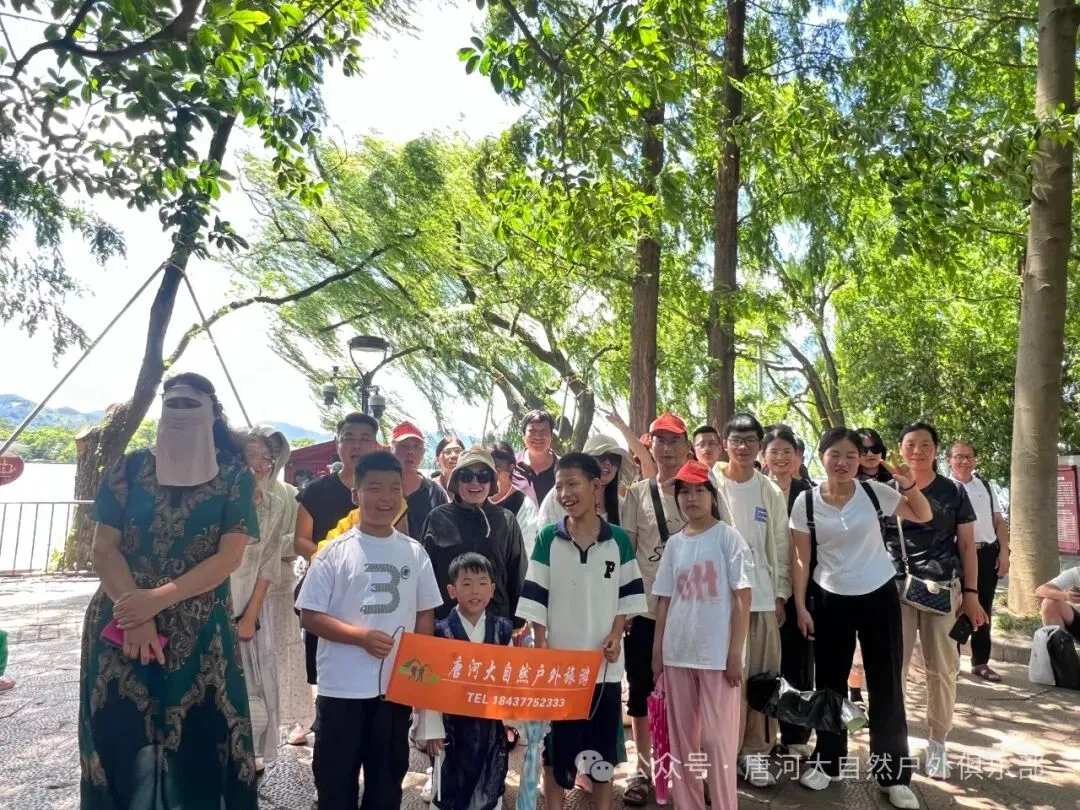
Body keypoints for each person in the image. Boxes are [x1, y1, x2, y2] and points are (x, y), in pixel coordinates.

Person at [79, 373, 259, 810]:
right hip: (120, 623)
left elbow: (229, 557)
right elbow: (103, 548)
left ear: (212, 413)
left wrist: (156, 601)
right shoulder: (128, 469)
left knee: (201, 739)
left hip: (200, 632)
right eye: (171, 403)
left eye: (189, 404)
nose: (179, 412)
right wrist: (134, 614)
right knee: (120, 734)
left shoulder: (236, 477)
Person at [789, 427, 932, 809]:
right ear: (821, 456)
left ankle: (893, 775)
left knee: (886, 684)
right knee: (829, 685)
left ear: (860, 461)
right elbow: (801, 558)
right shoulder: (805, 502)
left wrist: (908, 485)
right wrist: (801, 605)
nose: (843, 462)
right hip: (829, 597)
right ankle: (829, 761)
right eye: (835, 455)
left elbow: (923, 514)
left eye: (851, 456)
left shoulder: (874, 492)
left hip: (878, 594)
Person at [296, 451, 443, 810]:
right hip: (341, 689)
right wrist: (358, 637)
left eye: (394, 488)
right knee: (335, 781)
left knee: (387, 780)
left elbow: (425, 613)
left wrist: (418, 675)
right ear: (356, 494)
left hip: (393, 690)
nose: (385, 498)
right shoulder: (333, 552)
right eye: (374, 488)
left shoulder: (415, 553)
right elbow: (309, 615)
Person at [516, 453, 648, 810]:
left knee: (602, 754)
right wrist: (541, 645)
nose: (565, 493)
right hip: (560, 670)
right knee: (555, 753)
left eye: (572, 484)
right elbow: (536, 597)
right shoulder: (548, 538)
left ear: (595, 485)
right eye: (559, 486)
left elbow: (628, 596)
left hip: (603, 669)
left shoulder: (617, 540)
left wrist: (616, 633)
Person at [621, 413, 728, 806]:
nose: (666, 449)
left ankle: (690, 771)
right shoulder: (637, 494)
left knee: (693, 698)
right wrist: (626, 607)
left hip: (696, 614)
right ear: (648, 445)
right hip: (648, 611)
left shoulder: (704, 487)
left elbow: (722, 543)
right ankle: (644, 769)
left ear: (687, 447)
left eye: (674, 441)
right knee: (642, 692)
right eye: (659, 441)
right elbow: (629, 552)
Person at [884, 421, 988, 781]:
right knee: (893, 668)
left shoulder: (952, 491)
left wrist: (971, 594)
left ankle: (938, 742)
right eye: (910, 444)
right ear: (900, 448)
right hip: (894, 590)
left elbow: (967, 545)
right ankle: (895, 741)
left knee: (943, 669)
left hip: (942, 589)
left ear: (935, 451)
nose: (917, 451)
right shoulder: (886, 490)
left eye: (925, 444)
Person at [651, 460, 752, 810]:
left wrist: (734, 654)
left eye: (698, 490)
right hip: (677, 653)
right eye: (684, 492)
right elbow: (664, 601)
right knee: (682, 743)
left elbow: (743, 598)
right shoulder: (674, 544)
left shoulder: (728, 537)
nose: (691, 498)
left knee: (717, 741)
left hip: (716, 656)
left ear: (712, 495)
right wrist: (657, 653)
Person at [711, 413, 790, 786]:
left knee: (760, 678)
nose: (742, 447)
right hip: (716, 600)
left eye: (750, 441)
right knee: (722, 679)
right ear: (725, 443)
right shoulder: (709, 483)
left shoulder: (769, 490)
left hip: (760, 598)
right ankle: (722, 751)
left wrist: (780, 594)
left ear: (760, 446)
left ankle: (754, 752)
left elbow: (781, 545)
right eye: (736, 440)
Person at [417, 553, 514, 810]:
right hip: (452, 727)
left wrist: (511, 720)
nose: (475, 591)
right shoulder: (440, 632)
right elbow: (429, 685)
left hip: (490, 726)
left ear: (492, 590)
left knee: (489, 781)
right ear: (452, 591)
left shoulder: (502, 630)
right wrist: (432, 730)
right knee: (450, 784)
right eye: (467, 583)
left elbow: (510, 679)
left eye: (482, 583)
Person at [295, 412, 380, 687]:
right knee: (327, 670)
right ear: (337, 443)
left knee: (373, 663)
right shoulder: (315, 491)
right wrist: (333, 564)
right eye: (349, 438)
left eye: (364, 439)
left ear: (375, 445)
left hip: (374, 589)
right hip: (327, 592)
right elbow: (300, 540)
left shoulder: (386, 491)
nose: (356, 446)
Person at [249, 425, 314, 748]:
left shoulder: (289, 494)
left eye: (273, 452)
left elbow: (296, 540)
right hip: (241, 586)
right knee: (250, 659)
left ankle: (294, 720)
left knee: (285, 655)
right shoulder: (234, 491)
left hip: (279, 584)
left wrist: (267, 546)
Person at [421, 447, 528, 625]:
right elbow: (424, 578)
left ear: (492, 482)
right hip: (446, 625)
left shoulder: (506, 520)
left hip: (495, 625)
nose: (474, 483)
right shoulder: (437, 519)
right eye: (466, 476)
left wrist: (518, 623)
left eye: (483, 476)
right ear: (456, 480)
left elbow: (517, 574)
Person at [762, 425, 814, 756]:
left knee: (798, 665)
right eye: (774, 452)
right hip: (761, 592)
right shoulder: (754, 490)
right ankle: (763, 737)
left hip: (801, 592)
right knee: (765, 666)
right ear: (763, 456)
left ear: (797, 456)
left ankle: (795, 737)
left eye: (787, 452)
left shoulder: (809, 494)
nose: (781, 458)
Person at [236, 431, 287, 770]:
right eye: (250, 457)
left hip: (249, 605)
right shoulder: (218, 502)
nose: (257, 465)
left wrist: (250, 614)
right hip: (209, 605)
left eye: (264, 459)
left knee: (253, 683)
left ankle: (249, 749)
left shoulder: (274, 505)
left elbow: (269, 562)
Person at [946, 441, 1010, 681]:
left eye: (969, 456)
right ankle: (952, 663)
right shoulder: (944, 488)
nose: (964, 461)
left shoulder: (985, 485)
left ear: (975, 460)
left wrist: (1004, 552)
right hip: (955, 554)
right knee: (953, 608)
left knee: (983, 607)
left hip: (986, 554)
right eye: (959, 456)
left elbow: (999, 522)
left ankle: (980, 662)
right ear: (949, 461)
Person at [535, 434, 634, 530]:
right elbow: (545, 532)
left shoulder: (622, 506)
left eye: (614, 459)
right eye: (601, 456)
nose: (608, 463)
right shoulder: (562, 495)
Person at [391, 420, 449, 539]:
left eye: (416, 446)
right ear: (391, 449)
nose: (410, 452)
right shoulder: (378, 489)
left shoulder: (435, 493)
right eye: (404, 446)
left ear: (423, 452)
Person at [513, 409, 560, 506]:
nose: (538, 436)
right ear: (524, 435)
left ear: (551, 436)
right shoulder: (510, 465)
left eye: (543, 431)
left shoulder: (563, 468)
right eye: (532, 431)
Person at [1036, 564, 1080, 641]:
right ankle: (1059, 646)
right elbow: (1041, 590)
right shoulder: (1077, 572)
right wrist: (1066, 596)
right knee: (1049, 603)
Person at [490, 441, 526, 516]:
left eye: (497, 470)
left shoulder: (523, 501)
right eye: (488, 470)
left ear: (511, 467)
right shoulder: (479, 497)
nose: (492, 475)